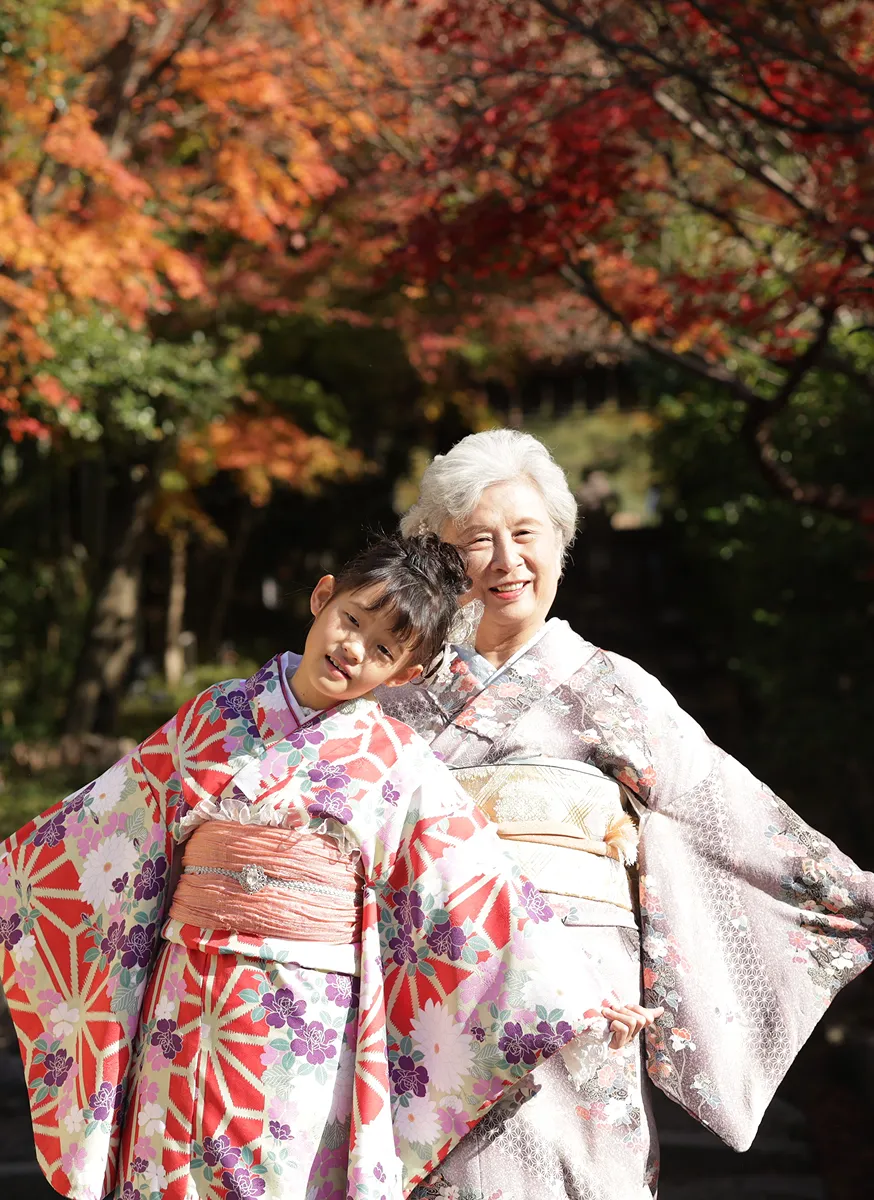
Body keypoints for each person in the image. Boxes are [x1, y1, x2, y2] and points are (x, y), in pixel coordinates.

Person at [0, 533, 658, 1200]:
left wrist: (580, 992)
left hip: (304, 1020)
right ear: (322, 598)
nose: (352, 648)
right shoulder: (213, 716)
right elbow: (104, 828)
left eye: (382, 649)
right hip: (186, 997)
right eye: (352, 619)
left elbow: (474, 888)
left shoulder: (396, 760)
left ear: (403, 675)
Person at [380, 430, 874, 1200]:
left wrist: (861, 900)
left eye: (526, 533)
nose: (508, 560)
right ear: (438, 558)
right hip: (423, 1003)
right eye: (478, 540)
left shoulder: (614, 690)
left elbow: (733, 821)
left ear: (560, 545)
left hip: (577, 1010)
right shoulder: (390, 692)